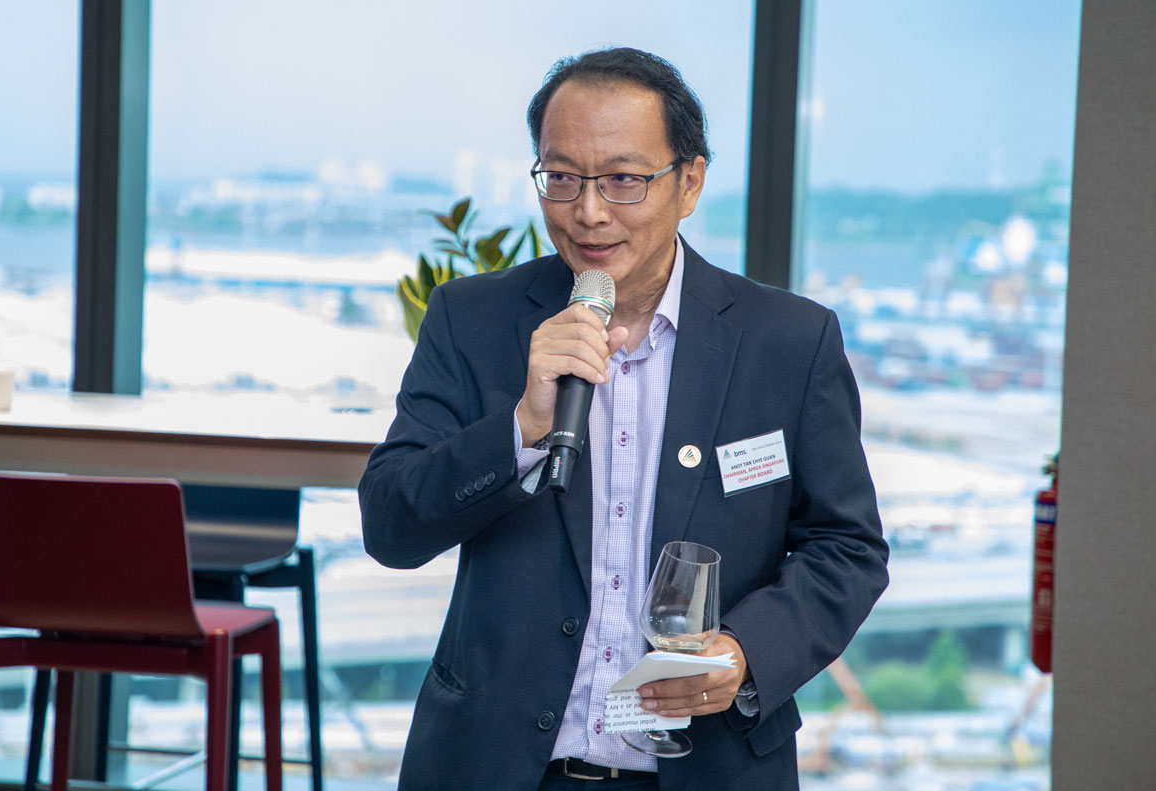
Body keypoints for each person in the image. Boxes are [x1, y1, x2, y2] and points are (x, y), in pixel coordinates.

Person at [358, 47, 889, 790]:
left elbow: (847, 547)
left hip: (707, 769)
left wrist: (745, 652)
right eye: (562, 178)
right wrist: (521, 427)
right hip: (500, 767)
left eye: (623, 179)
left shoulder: (789, 342)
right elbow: (390, 525)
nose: (589, 212)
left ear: (690, 182)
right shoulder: (471, 320)